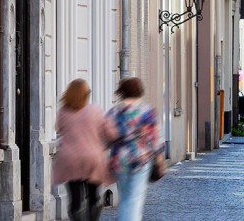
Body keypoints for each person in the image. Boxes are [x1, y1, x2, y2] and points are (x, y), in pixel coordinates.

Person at [53, 79, 117, 221]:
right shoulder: (95, 110)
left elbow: (59, 128)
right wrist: (105, 145)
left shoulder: (63, 112)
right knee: (94, 196)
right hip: (93, 158)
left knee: (75, 199)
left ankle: (77, 217)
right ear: (86, 95)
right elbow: (111, 133)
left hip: (70, 159)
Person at [107, 78, 162, 221]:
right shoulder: (147, 112)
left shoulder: (114, 112)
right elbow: (155, 139)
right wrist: (160, 160)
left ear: (122, 92)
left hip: (119, 159)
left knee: (125, 197)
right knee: (134, 198)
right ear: (139, 91)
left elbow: (107, 136)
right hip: (140, 159)